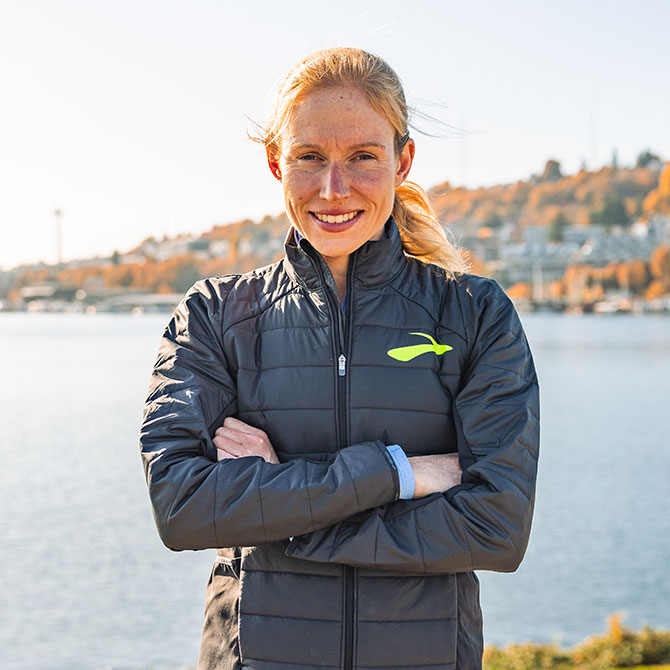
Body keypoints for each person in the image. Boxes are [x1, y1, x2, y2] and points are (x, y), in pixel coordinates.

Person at [140, 47, 539, 670]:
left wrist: (278, 513)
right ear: (276, 163)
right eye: (309, 157)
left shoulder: (475, 316)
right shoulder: (217, 316)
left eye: (362, 157)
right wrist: (400, 476)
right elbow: (182, 506)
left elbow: (497, 526)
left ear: (403, 161)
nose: (334, 188)